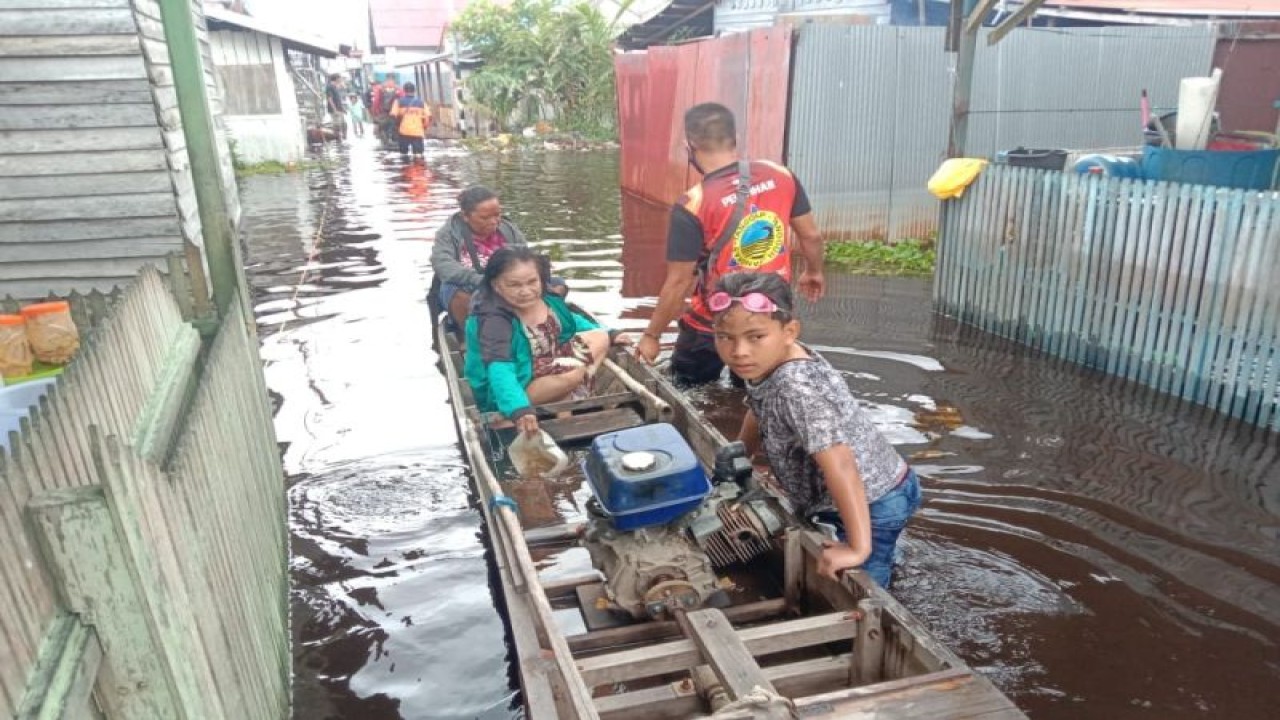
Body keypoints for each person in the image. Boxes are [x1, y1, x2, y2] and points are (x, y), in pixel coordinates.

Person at [711, 272, 921, 587]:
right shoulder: (768, 361)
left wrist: (857, 548)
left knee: (862, 581)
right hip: (877, 484)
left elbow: (842, 463)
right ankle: (883, 550)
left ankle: (877, 572)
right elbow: (759, 406)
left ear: (789, 331)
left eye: (755, 336)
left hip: (874, 499)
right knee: (877, 550)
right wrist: (744, 452)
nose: (739, 351)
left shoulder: (798, 389)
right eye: (725, 337)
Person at [635, 102, 826, 386]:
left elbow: (678, 282)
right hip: (768, 318)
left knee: (688, 389)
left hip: (713, 321)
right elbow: (811, 236)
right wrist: (814, 271)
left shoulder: (693, 203)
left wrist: (652, 336)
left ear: (690, 146)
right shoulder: (780, 175)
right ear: (735, 139)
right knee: (756, 395)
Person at [464, 247, 619, 436]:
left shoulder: (547, 299)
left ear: (541, 279)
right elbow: (499, 369)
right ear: (496, 285)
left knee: (600, 337)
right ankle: (555, 399)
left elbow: (571, 320)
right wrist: (518, 409)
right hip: (512, 383)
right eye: (514, 285)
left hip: (545, 365)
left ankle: (563, 396)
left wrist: (612, 334)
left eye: (532, 282)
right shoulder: (494, 321)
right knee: (575, 374)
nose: (525, 291)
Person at [430, 186, 567, 330]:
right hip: (471, 285)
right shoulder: (449, 233)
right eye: (485, 218)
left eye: (497, 215)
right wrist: (481, 280)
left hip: (509, 284)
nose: (494, 221)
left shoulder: (508, 229)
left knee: (558, 284)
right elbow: (442, 263)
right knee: (452, 291)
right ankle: (471, 332)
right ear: (465, 216)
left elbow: (524, 256)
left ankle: (539, 324)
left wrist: (539, 267)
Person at [390, 82, 429, 157]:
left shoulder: (398, 102)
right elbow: (428, 117)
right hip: (417, 132)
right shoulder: (422, 102)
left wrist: (396, 127)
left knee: (403, 155)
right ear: (414, 90)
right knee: (418, 156)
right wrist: (424, 127)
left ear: (404, 90)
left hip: (403, 132)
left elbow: (393, 115)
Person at [325, 74, 347, 140]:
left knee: (343, 124)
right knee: (337, 125)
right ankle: (338, 140)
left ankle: (343, 138)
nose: (341, 80)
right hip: (334, 110)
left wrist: (342, 108)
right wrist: (335, 110)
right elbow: (330, 99)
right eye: (340, 78)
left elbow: (338, 99)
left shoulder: (335, 87)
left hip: (339, 109)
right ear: (336, 79)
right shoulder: (329, 87)